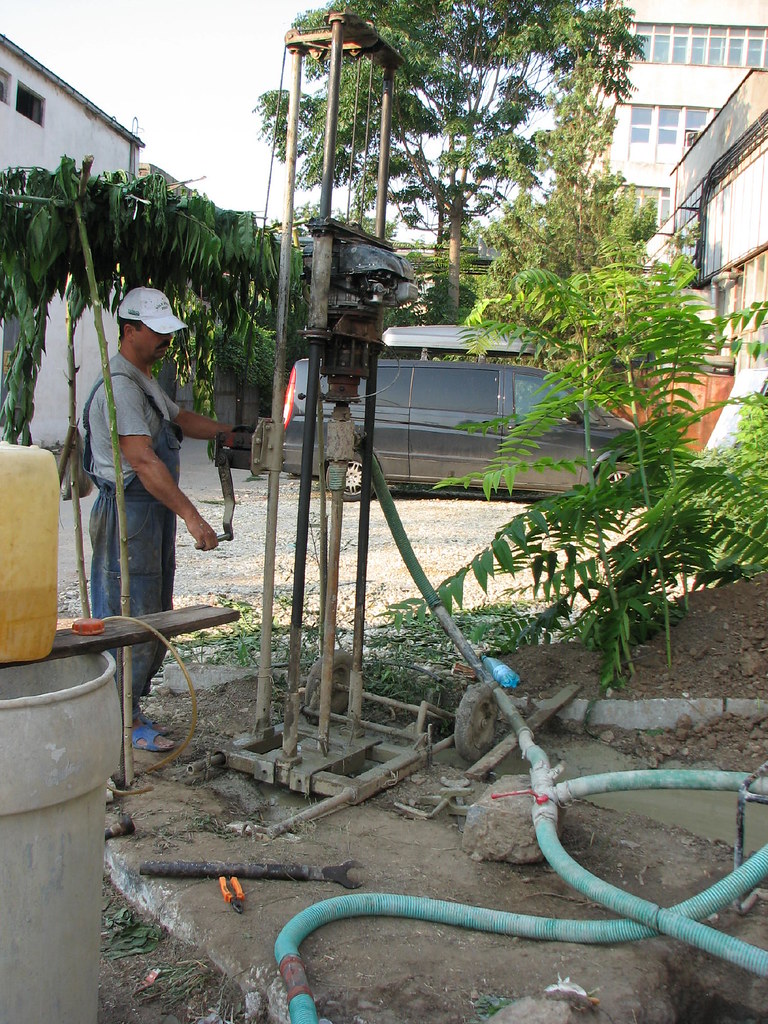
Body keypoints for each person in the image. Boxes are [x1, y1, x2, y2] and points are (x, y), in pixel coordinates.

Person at [83, 287, 233, 752]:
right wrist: (193, 516)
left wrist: (230, 432)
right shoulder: (121, 388)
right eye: (156, 331)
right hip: (130, 512)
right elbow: (144, 461)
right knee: (129, 616)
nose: (166, 340)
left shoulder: (143, 379)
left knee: (153, 611)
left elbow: (180, 418)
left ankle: (129, 710)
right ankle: (120, 720)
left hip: (150, 511)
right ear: (130, 331)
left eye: (168, 331)